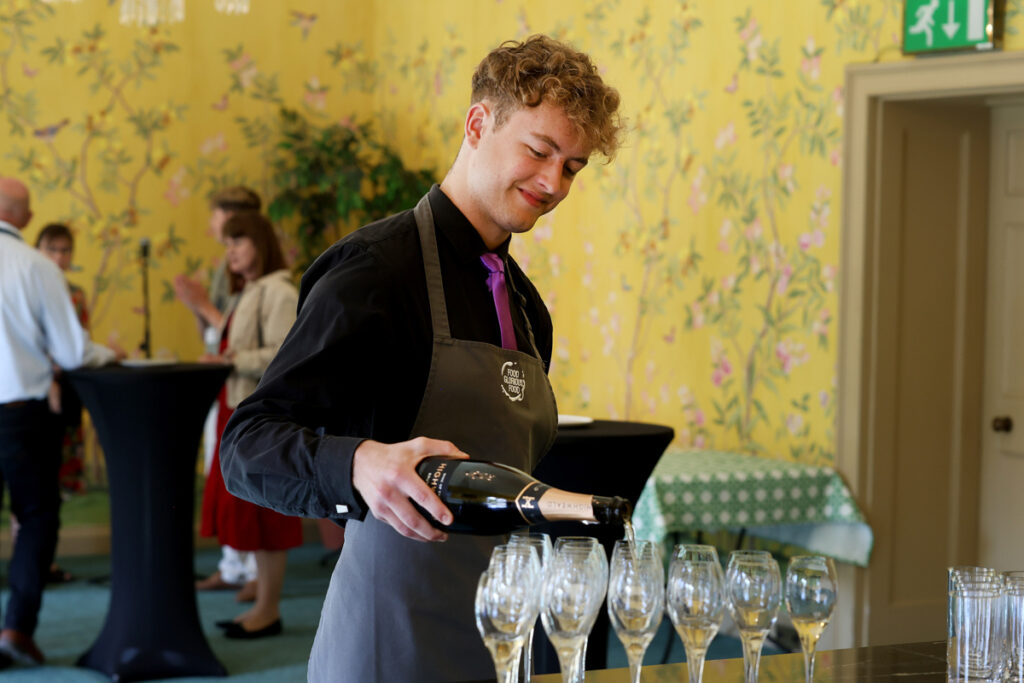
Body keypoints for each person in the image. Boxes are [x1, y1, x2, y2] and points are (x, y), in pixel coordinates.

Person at [219, 34, 623, 681]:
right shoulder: (376, 272)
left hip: (500, 638)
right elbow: (246, 446)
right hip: (388, 642)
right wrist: (359, 461)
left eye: (573, 166)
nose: (553, 184)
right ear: (476, 123)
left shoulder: (524, 305)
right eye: (540, 151)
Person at [0, 177, 121, 668]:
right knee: (36, 516)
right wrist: (112, 355)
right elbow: (73, 353)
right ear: (26, 216)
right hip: (21, 416)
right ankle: (14, 629)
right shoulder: (36, 267)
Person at [198, 211, 302, 639]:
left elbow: (284, 354)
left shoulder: (278, 290)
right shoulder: (246, 292)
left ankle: (268, 610)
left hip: (259, 412)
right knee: (245, 508)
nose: (231, 252)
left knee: (262, 511)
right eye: (227, 244)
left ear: (260, 242)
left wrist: (231, 360)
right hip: (234, 406)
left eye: (238, 241)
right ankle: (261, 602)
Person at [175, 186, 262, 602]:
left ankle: (250, 570)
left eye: (217, 217)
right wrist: (197, 307)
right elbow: (216, 334)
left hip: (246, 389)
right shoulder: (225, 266)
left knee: (240, 476)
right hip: (225, 385)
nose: (214, 227)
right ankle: (234, 565)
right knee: (222, 475)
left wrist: (203, 305)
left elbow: (247, 341)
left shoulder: (269, 283)